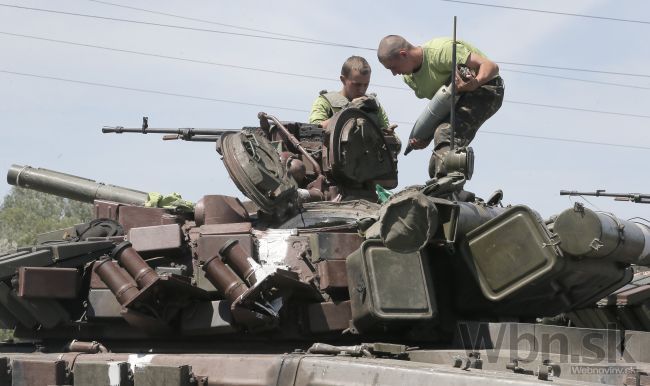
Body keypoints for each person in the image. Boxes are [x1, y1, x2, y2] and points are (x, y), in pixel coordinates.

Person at [377, 35, 504, 178]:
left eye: (393, 67)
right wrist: (427, 137)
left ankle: (452, 183)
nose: (394, 73)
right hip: (457, 99)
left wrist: (474, 82)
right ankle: (444, 189)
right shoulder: (410, 79)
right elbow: (443, 106)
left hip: (486, 88)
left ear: (403, 54)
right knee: (437, 159)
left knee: (445, 133)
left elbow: (491, 66)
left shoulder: (441, 51)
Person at [309, 56, 391, 131]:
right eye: (357, 84)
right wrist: (347, 111)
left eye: (366, 84)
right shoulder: (325, 102)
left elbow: (393, 138)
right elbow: (314, 131)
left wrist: (389, 135)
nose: (362, 90)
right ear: (343, 80)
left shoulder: (373, 105)